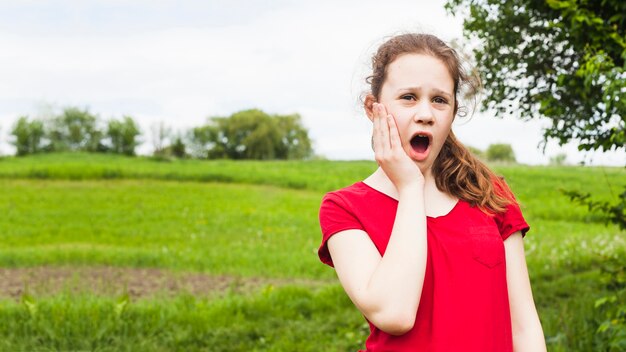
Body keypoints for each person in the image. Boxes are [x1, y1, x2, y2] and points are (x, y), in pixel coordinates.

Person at [317, 33, 546, 351]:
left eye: (439, 100)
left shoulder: (489, 194)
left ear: (453, 112)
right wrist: (411, 186)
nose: (425, 113)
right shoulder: (345, 208)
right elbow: (395, 313)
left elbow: (524, 328)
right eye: (408, 97)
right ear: (373, 107)